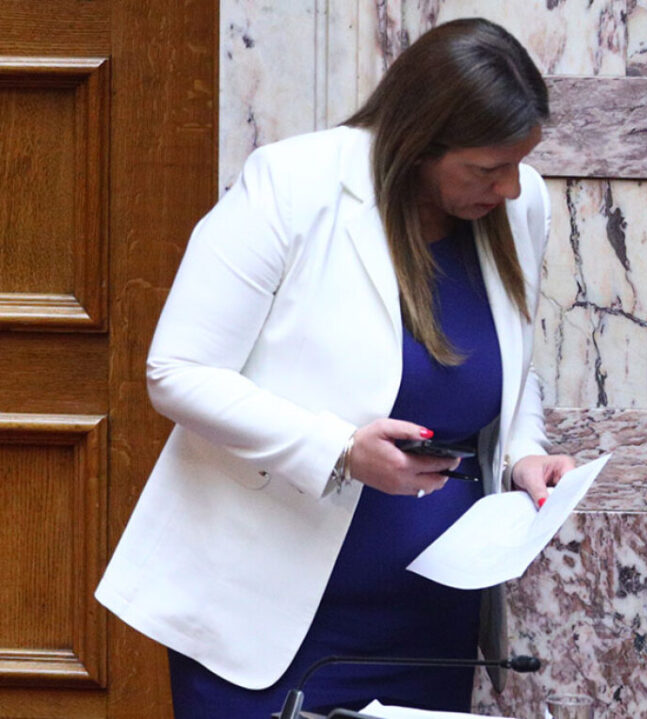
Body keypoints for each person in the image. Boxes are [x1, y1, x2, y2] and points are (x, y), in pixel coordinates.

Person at [94, 18, 575, 717]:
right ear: (420, 141)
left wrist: (523, 454)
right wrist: (340, 450)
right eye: (485, 170)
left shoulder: (522, 204)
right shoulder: (291, 185)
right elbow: (178, 371)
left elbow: (505, 361)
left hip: (429, 627)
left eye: (516, 165)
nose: (508, 187)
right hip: (264, 624)